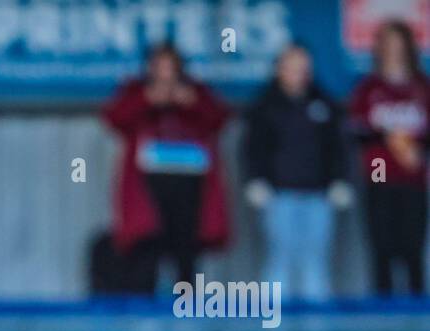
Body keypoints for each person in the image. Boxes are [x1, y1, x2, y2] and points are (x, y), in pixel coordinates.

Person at [102, 42, 231, 290]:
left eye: (170, 66)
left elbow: (220, 119)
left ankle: (187, 307)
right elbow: (113, 118)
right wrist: (146, 100)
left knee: (186, 250)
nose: (166, 73)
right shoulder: (137, 90)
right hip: (148, 185)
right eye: (160, 66)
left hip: (190, 186)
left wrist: (191, 101)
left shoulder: (195, 90)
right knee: (147, 244)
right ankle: (146, 309)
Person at [243, 44, 352, 301]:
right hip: (279, 195)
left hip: (318, 195)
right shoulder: (265, 106)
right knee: (280, 257)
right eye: (292, 68)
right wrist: (255, 180)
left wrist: (339, 180)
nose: (298, 74)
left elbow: (337, 147)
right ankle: (274, 330)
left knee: (315, 260)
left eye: (303, 68)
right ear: (279, 69)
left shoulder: (323, 103)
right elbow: (252, 149)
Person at [350, 19, 430, 296]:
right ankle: (381, 317)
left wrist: (416, 146)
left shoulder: (421, 87)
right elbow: (355, 129)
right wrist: (390, 137)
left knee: (412, 247)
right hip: (379, 173)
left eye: (399, 44)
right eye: (388, 44)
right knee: (382, 246)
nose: (394, 50)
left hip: (413, 177)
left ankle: (417, 319)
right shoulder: (369, 88)